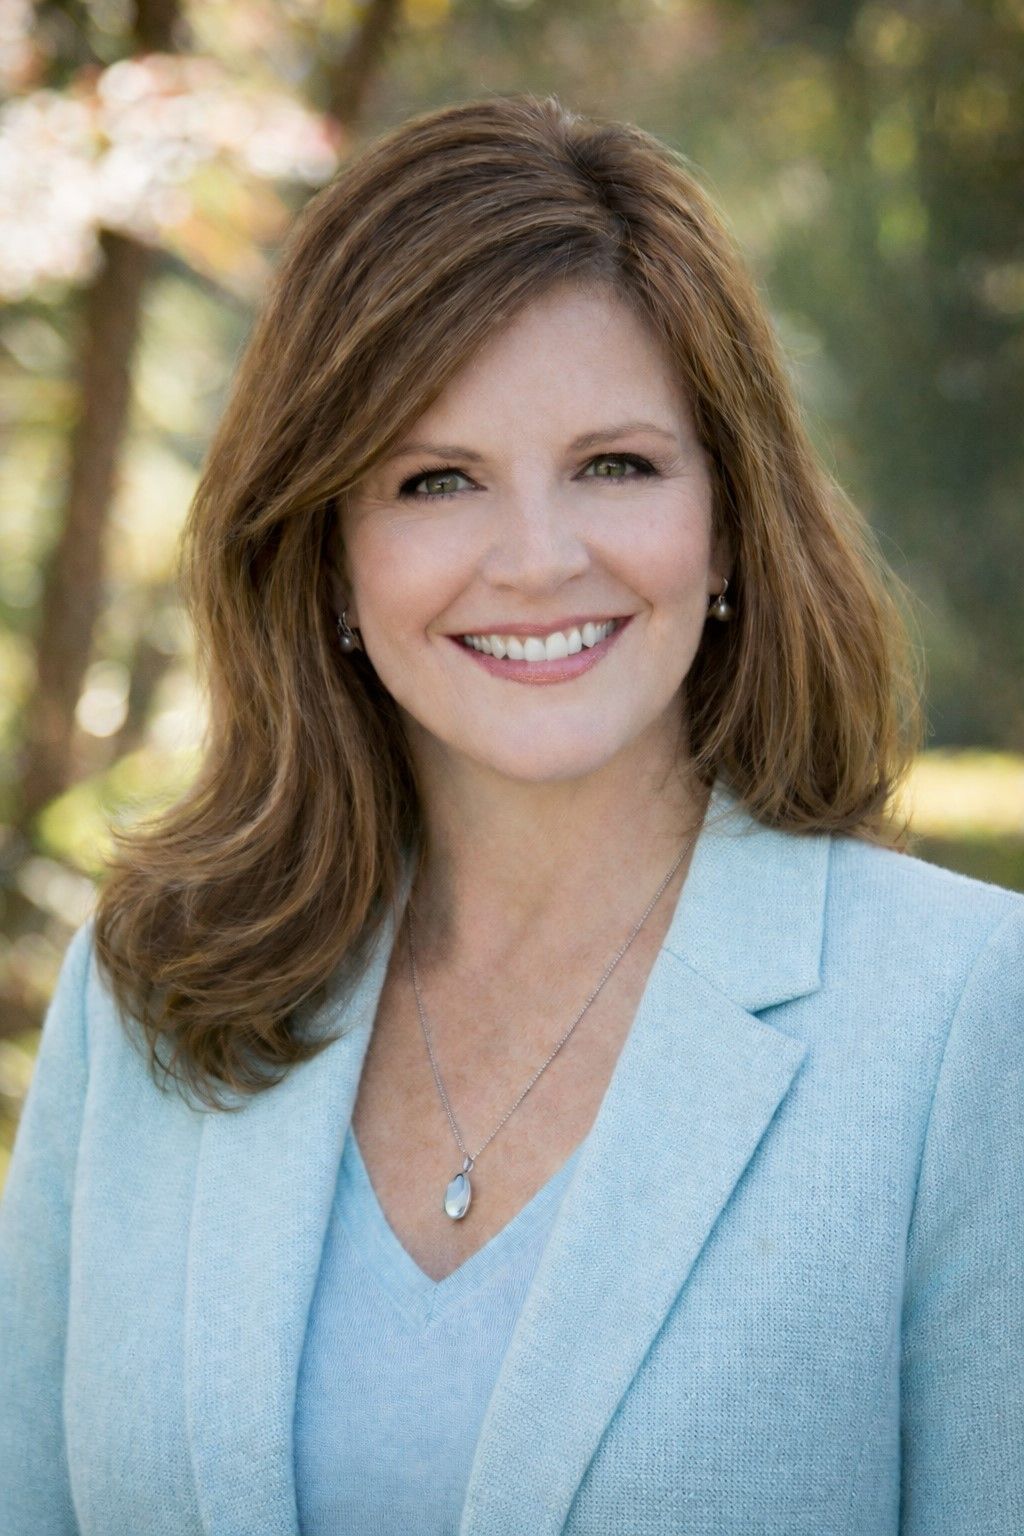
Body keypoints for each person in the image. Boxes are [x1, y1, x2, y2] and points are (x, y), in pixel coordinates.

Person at [0, 91, 1021, 1536]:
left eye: (615, 464)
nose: (538, 560)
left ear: (726, 518)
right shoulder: (154, 988)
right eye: (435, 481)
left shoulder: (966, 1017)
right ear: (329, 555)